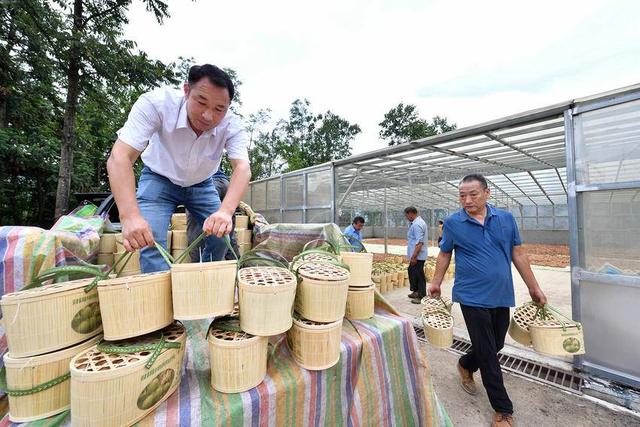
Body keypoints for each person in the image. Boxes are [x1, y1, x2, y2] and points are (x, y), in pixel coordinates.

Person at [428, 174, 547, 427]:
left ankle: (465, 363)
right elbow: (444, 253)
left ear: (487, 193)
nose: (467, 200)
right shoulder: (453, 222)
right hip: (471, 295)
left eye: (473, 194)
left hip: (501, 293)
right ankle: (503, 409)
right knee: (488, 353)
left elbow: (518, 253)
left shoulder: (505, 219)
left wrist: (534, 287)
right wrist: (436, 282)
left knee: (496, 345)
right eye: (462, 196)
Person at [107, 64, 251, 273]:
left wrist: (226, 211)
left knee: (221, 236)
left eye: (219, 109)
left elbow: (242, 168)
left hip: (202, 183)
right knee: (150, 240)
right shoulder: (156, 104)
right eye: (201, 102)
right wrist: (129, 216)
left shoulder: (232, 125)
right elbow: (119, 157)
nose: (208, 116)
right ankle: (160, 298)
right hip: (158, 179)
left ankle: (206, 283)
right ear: (186, 91)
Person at [186, 167, 240, 261]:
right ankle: (236, 268)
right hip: (225, 184)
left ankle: (199, 269)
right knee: (226, 231)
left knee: (197, 234)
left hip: (206, 185)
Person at [404, 207, 428, 303]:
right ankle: (416, 291)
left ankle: (421, 296)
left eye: (406, 215)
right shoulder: (417, 223)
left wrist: (414, 257)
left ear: (411, 213)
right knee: (412, 271)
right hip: (416, 254)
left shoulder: (417, 225)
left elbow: (419, 242)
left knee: (419, 275)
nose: (406, 217)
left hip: (418, 256)